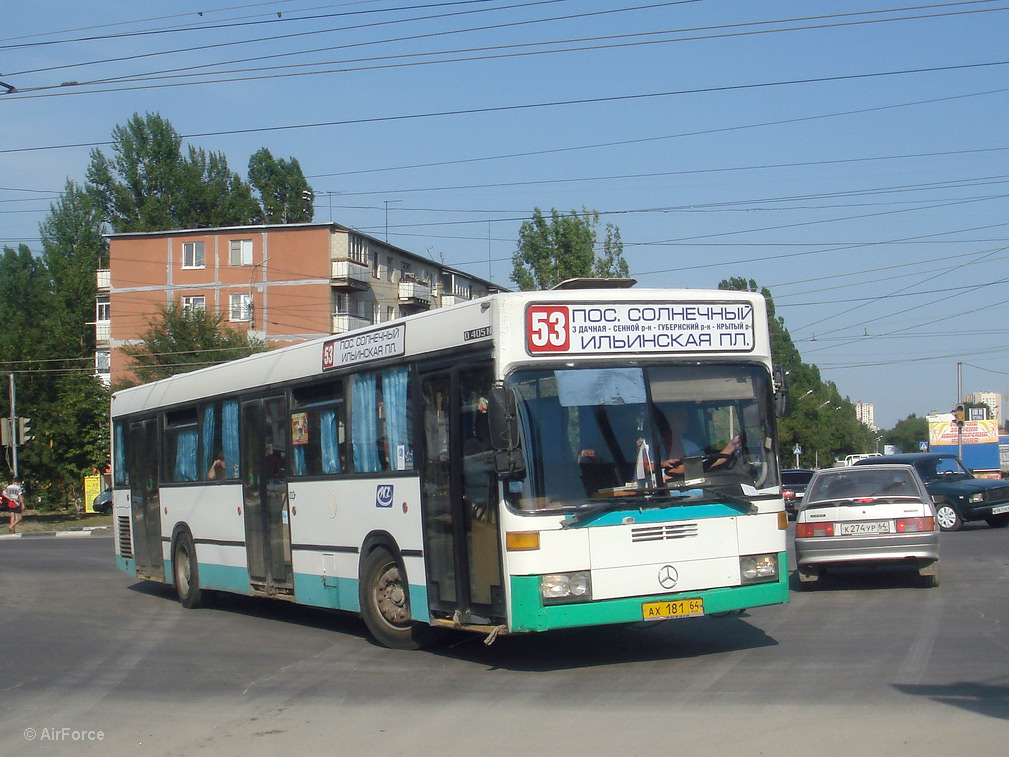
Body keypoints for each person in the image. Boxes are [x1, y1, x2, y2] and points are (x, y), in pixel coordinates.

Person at [658, 406, 740, 481]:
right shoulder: (651, 448)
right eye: (680, 418)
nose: (686, 421)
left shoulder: (690, 446)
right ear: (668, 420)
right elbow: (664, 476)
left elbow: (705, 466)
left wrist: (731, 447)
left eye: (686, 418)